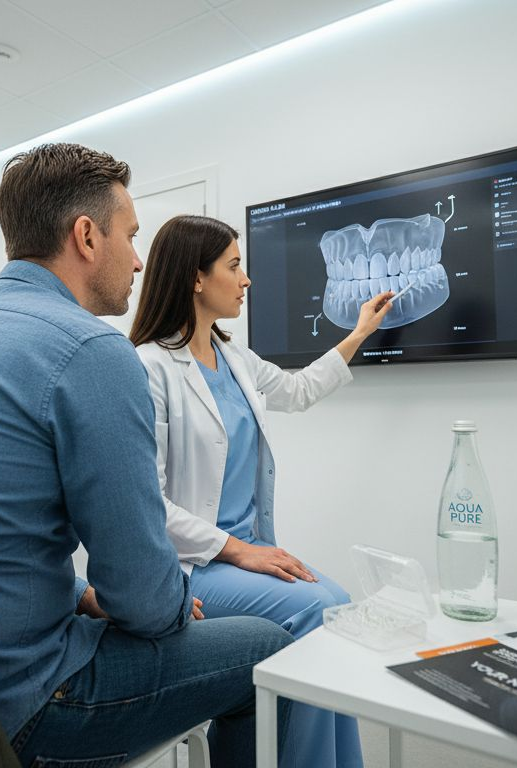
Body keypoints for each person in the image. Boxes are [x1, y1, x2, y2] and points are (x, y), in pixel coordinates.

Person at [0, 145, 293, 767]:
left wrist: (75, 592)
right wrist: (175, 602)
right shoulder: (91, 351)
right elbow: (143, 600)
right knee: (269, 649)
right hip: (14, 704)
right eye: (130, 236)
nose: (139, 260)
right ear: (86, 237)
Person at [129, 214, 393, 768]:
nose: (246, 279)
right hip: (196, 564)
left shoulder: (235, 358)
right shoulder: (148, 367)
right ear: (197, 278)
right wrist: (238, 550)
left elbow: (298, 390)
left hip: (248, 555)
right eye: (234, 266)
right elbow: (148, 502)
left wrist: (361, 332)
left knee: (336, 614)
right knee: (323, 609)